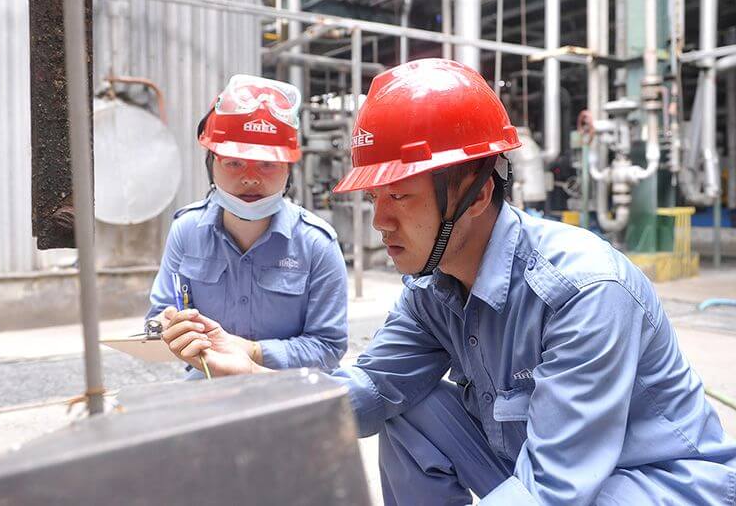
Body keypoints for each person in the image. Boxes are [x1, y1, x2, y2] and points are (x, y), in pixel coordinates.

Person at [164, 59, 736, 505]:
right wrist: (258, 376)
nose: (380, 221)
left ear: (478, 193)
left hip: (649, 484)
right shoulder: (431, 289)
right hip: (532, 472)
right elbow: (369, 391)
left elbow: (559, 489)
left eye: (401, 196)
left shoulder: (583, 293)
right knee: (405, 404)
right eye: (373, 198)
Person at [147, 74, 348, 377]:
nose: (251, 177)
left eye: (268, 164)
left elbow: (329, 347)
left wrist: (252, 352)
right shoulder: (186, 231)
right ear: (211, 163)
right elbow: (156, 318)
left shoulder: (316, 244)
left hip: (288, 392)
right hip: (207, 386)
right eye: (234, 162)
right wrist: (164, 327)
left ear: (288, 169)